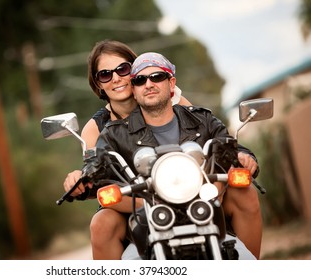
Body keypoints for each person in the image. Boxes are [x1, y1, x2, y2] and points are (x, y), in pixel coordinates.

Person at [64, 42, 262, 259]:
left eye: (123, 70)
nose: (116, 78)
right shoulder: (105, 132)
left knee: (244, 189)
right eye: (105, 74)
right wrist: (82, 180)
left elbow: (214, 138)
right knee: (101, 221)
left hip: (195, 193)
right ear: (98, 83)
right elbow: (95, 170)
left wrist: (242, 156)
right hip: (139, 203)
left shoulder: (185, 111)